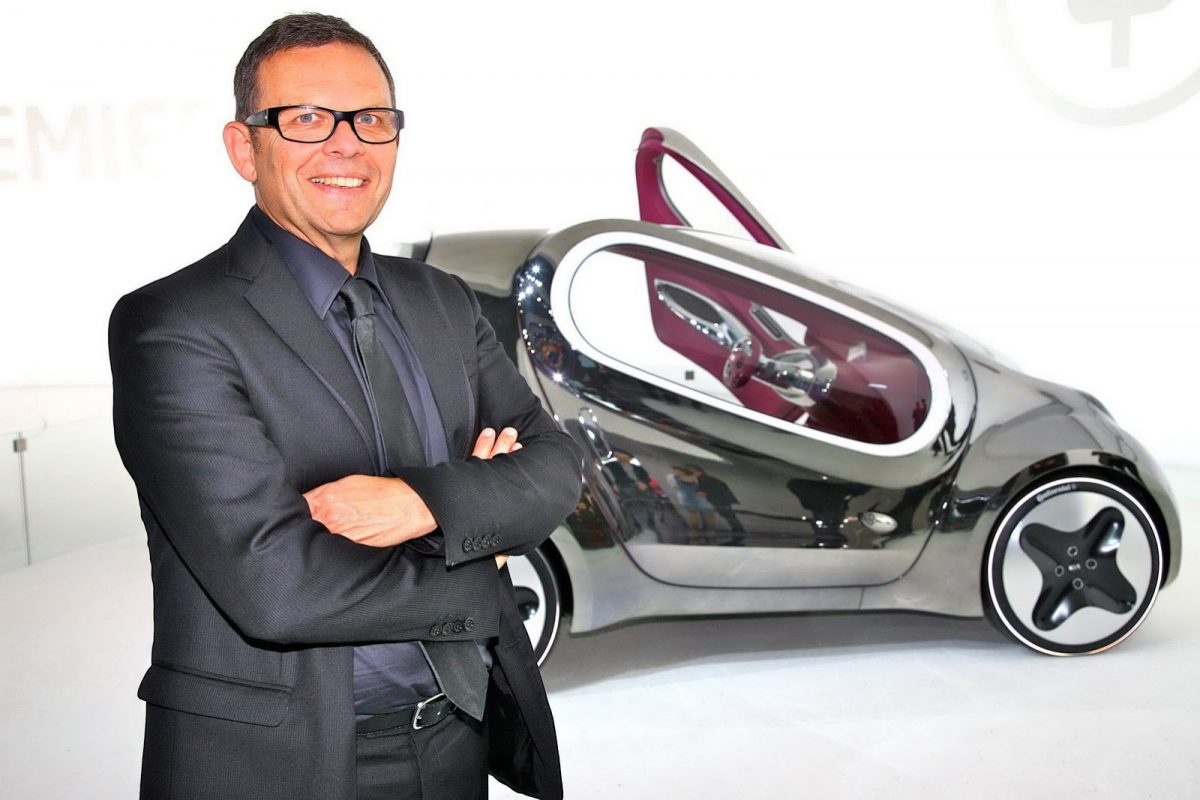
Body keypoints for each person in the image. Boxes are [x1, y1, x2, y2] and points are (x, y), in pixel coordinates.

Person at [108, 13, 581, 800]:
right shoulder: (175, 324)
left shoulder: (442, 300)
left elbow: (556, 466)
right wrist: (481, 558)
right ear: (244, 148)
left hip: (457, 738)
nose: (347, 145)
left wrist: (421, 503)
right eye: (305, 119)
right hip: (279, 763)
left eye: (371, 119)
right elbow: (278, 588)